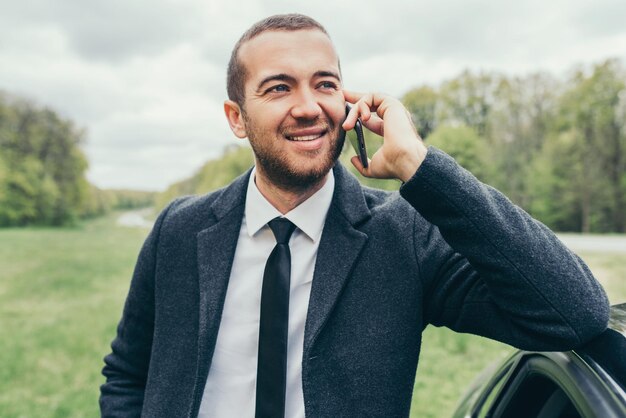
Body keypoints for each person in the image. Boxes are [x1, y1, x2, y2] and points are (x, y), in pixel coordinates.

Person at [100, 13, 609, 418]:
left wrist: (420, 166)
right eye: (279, 87)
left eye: (324, 84)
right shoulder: (179, 228)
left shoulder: (402, 235)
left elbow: (573, 311)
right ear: (237, 117)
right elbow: (127, 374)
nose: (308, 107)